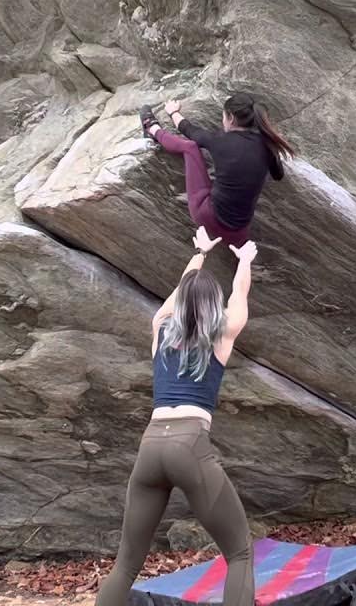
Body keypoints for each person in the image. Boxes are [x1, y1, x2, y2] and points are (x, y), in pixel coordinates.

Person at [94, 226, 258, 606]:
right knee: (239, 553)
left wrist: (199, 254)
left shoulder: (160, 331)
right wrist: (244, 261)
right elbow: (240, 295)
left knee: (127, 564)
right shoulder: (222, 334)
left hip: (151, 446)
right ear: (213, 307)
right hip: (190, 444)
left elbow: (173, 303)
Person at [140, 93, 294, 246]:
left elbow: (189, 130)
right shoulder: (268, 146)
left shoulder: (221, 140)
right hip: (238, 234)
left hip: (208, 217)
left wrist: (173, 112)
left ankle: (151, 128)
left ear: (231, 118)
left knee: (190, 147)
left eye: (223, 117)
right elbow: (278, 175)